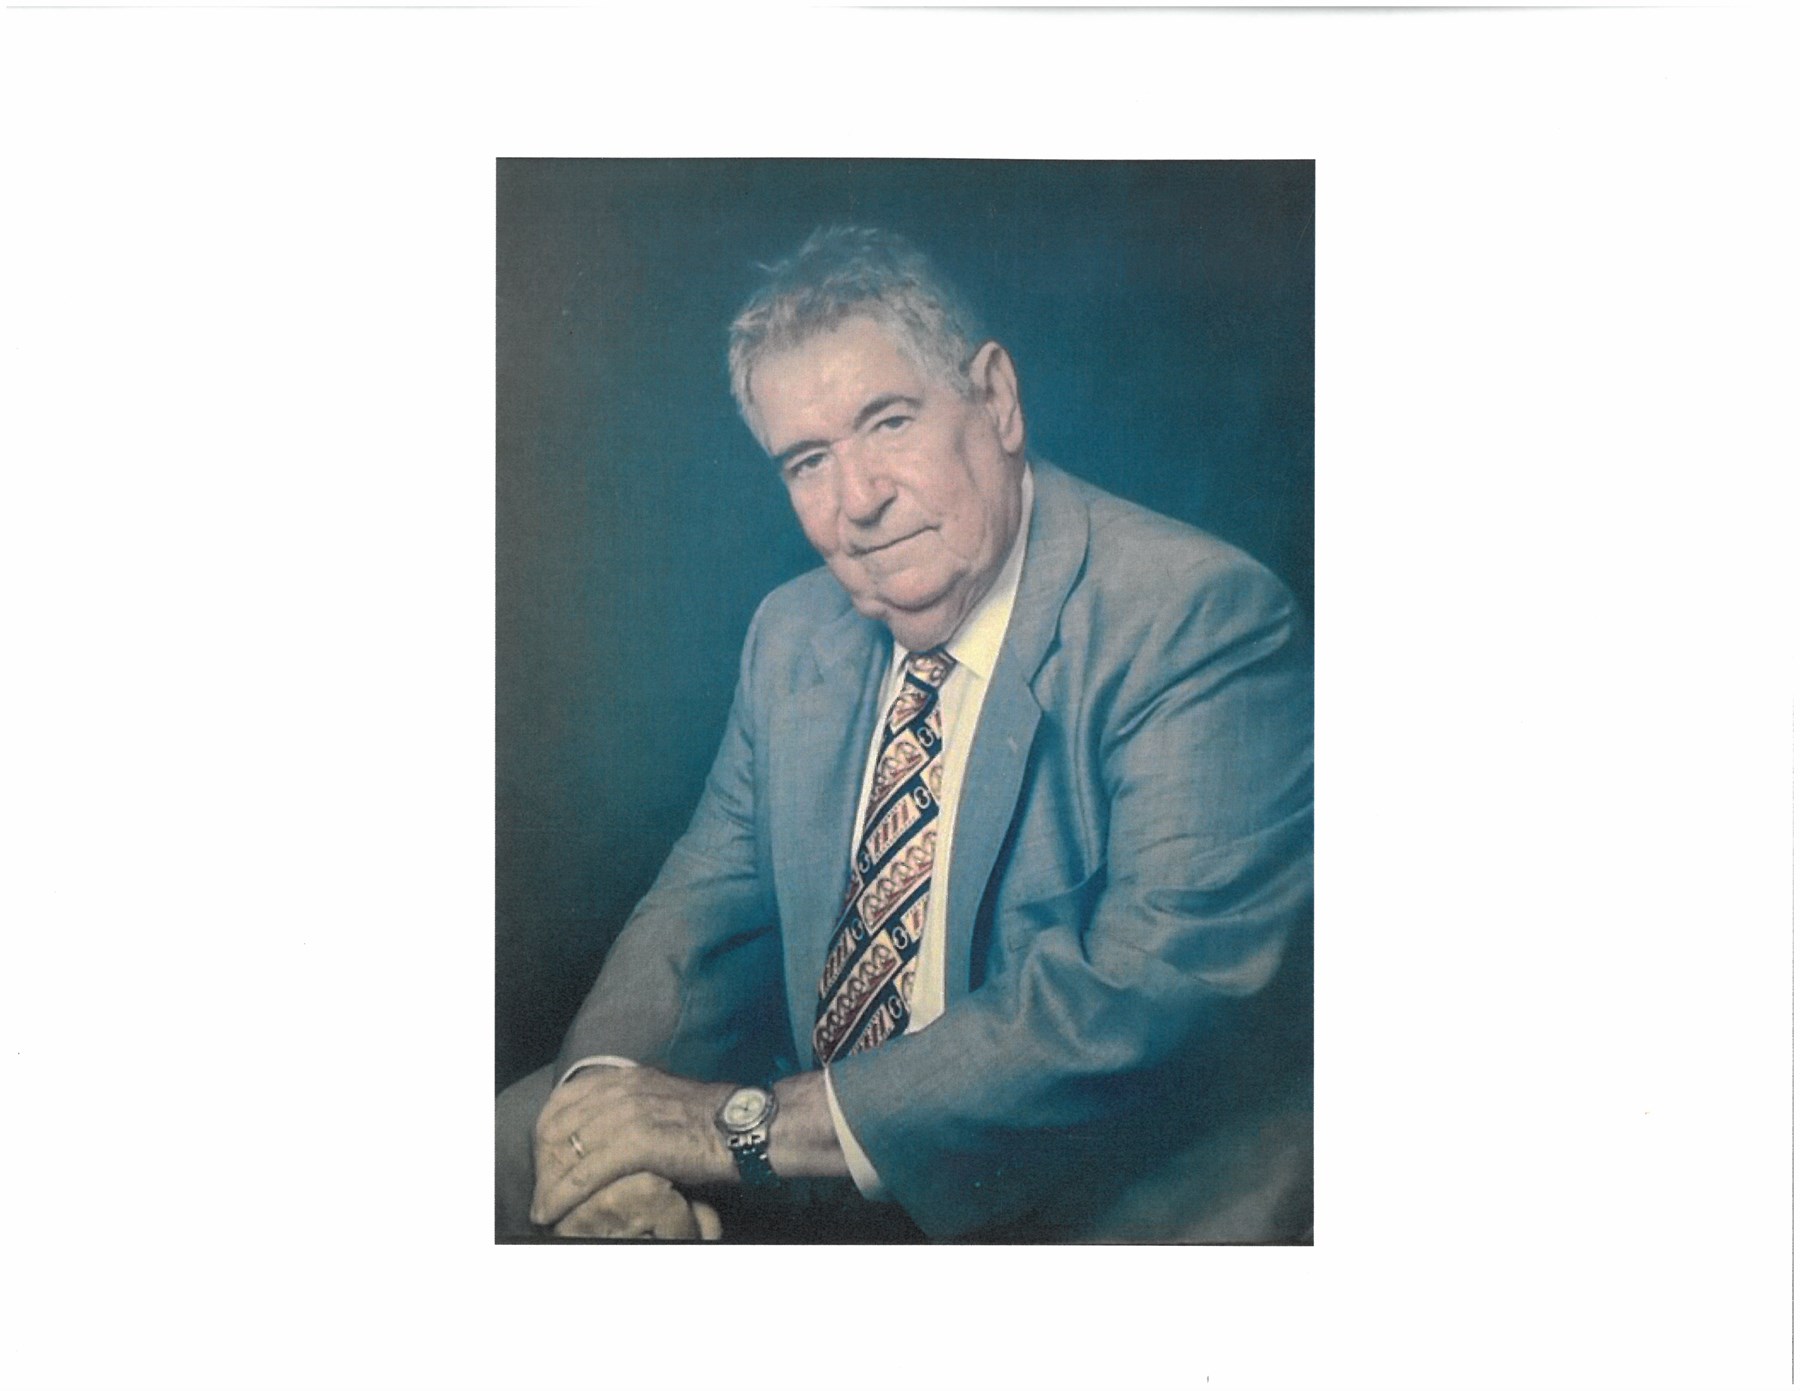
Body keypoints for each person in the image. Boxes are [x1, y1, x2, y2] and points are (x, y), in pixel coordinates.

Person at [495, 226, 1313, 1243]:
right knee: (516, 1147)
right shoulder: (791, 633)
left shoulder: (1193, 615)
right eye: (809, 461)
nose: (860, 501)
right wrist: (602, 1113)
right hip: (831, 1166)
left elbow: (1137, 1000)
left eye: (887, 422)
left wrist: (731, 1129)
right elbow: (699, 908)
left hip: (1086, 1198)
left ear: (997, 400)